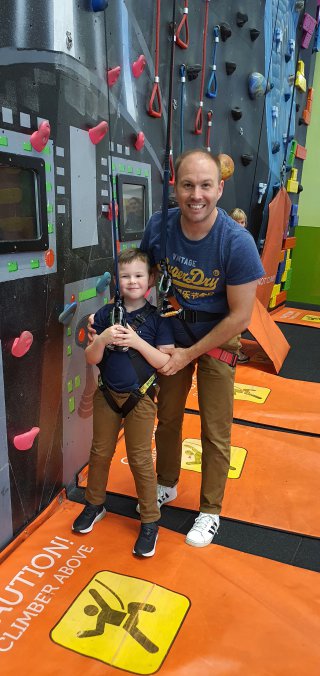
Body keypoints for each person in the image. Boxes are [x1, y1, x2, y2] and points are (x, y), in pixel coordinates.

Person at [139, 148, 265, 548]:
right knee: (169, 417)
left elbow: (240, 317)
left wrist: (187, 355)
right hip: (174, 329)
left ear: (220, 188)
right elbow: (147, 273)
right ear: (175, 187)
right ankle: (167, 483)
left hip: (217, 335)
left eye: (205, 185)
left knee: (214, 429)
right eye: (188, 185)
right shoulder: (160, 226)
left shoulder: (237, 243)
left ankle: (210, 510)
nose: (197, 195)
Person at [72, 248, 174, 558]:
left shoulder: (158, 318)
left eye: (139, 276)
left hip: (140, 398)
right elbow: (91, 357)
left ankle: (149, 521)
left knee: (140, 459)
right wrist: (102, 339)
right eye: (125, 276)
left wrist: (136, 341)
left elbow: (165, 362)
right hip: (106, 395)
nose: (132, 281)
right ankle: (94, 504)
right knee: (100, 453)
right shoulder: (105, 314)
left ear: (150, 280)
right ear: (117, 280)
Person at [229, 208, 250, 363]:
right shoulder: (226, 240)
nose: (239, 225)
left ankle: (235, 350)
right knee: (232, 322)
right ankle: (235, 352)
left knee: (239, 321)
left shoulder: (245, 240)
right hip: (228, 290)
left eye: (242, 222)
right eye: (236, 222)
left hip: (241, 288)